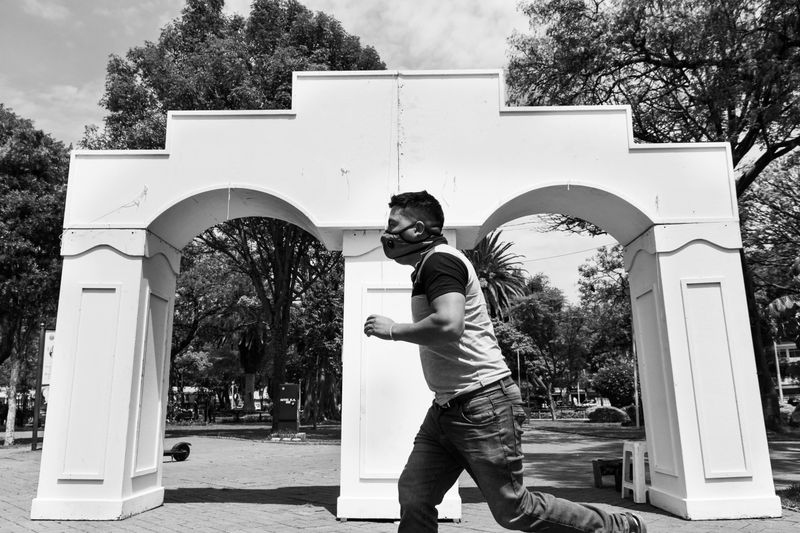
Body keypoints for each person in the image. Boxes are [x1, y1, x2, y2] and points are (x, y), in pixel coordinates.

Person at [364, 191, 646, 533]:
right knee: (414, 493)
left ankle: (616, 527)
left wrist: (393, 329)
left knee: (514, 508)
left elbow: (449, 325)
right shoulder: (428, 266)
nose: (387, 233)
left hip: (483, 404)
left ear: (419, 229)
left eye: (394, 225)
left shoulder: (440, 262)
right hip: (447, 408)